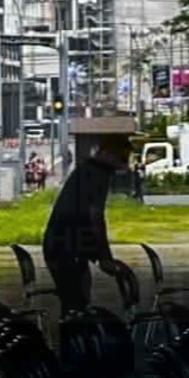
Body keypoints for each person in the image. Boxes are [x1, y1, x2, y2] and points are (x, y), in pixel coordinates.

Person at [44, 120, 136, 311]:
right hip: (67, 247)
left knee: (75, 299)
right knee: (76, 301)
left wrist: (99, 256)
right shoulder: (97, 174)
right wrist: (104, 256)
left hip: (62, 244)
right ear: (109, 153)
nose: (124, 165)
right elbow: (95, 217)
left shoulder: (87, 170)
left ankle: (72, 325)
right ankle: (74, 327)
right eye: (122, 158)